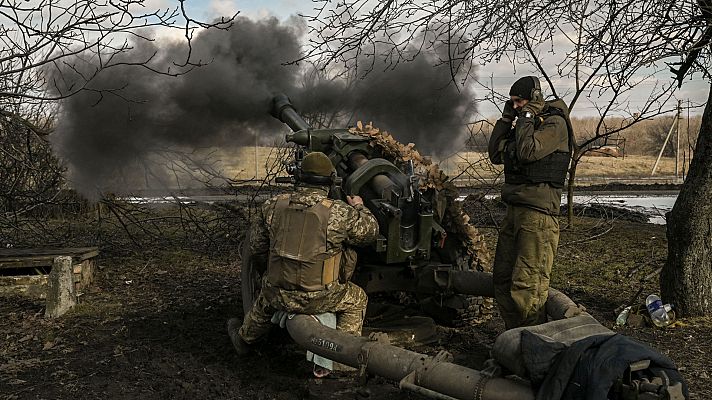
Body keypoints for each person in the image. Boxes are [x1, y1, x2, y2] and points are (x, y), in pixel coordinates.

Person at [227, 151, 379, 363]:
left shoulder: (272, 206)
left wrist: (271, 275)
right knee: (357, 299)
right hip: (320, 298)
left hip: (278, 292)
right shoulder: (339, 213)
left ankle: (244, 339)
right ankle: (343, 360)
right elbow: (370, 233)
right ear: (329, 181)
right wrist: (359, 206)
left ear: (298, 178)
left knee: (266, 296)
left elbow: (257, 249)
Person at [487, 76, 572, 329]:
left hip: (538, 216)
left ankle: (532, 348)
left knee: (528, 286)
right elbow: (494, 154)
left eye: (520, 101)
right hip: (515, 211)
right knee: (502, 281)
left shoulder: (554, 124)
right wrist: (505, 121)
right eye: (512, 103)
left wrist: (524, 118)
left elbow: (527, 152)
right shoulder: (524, 125)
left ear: (535, 100)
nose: (516, 107)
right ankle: (513, 342)